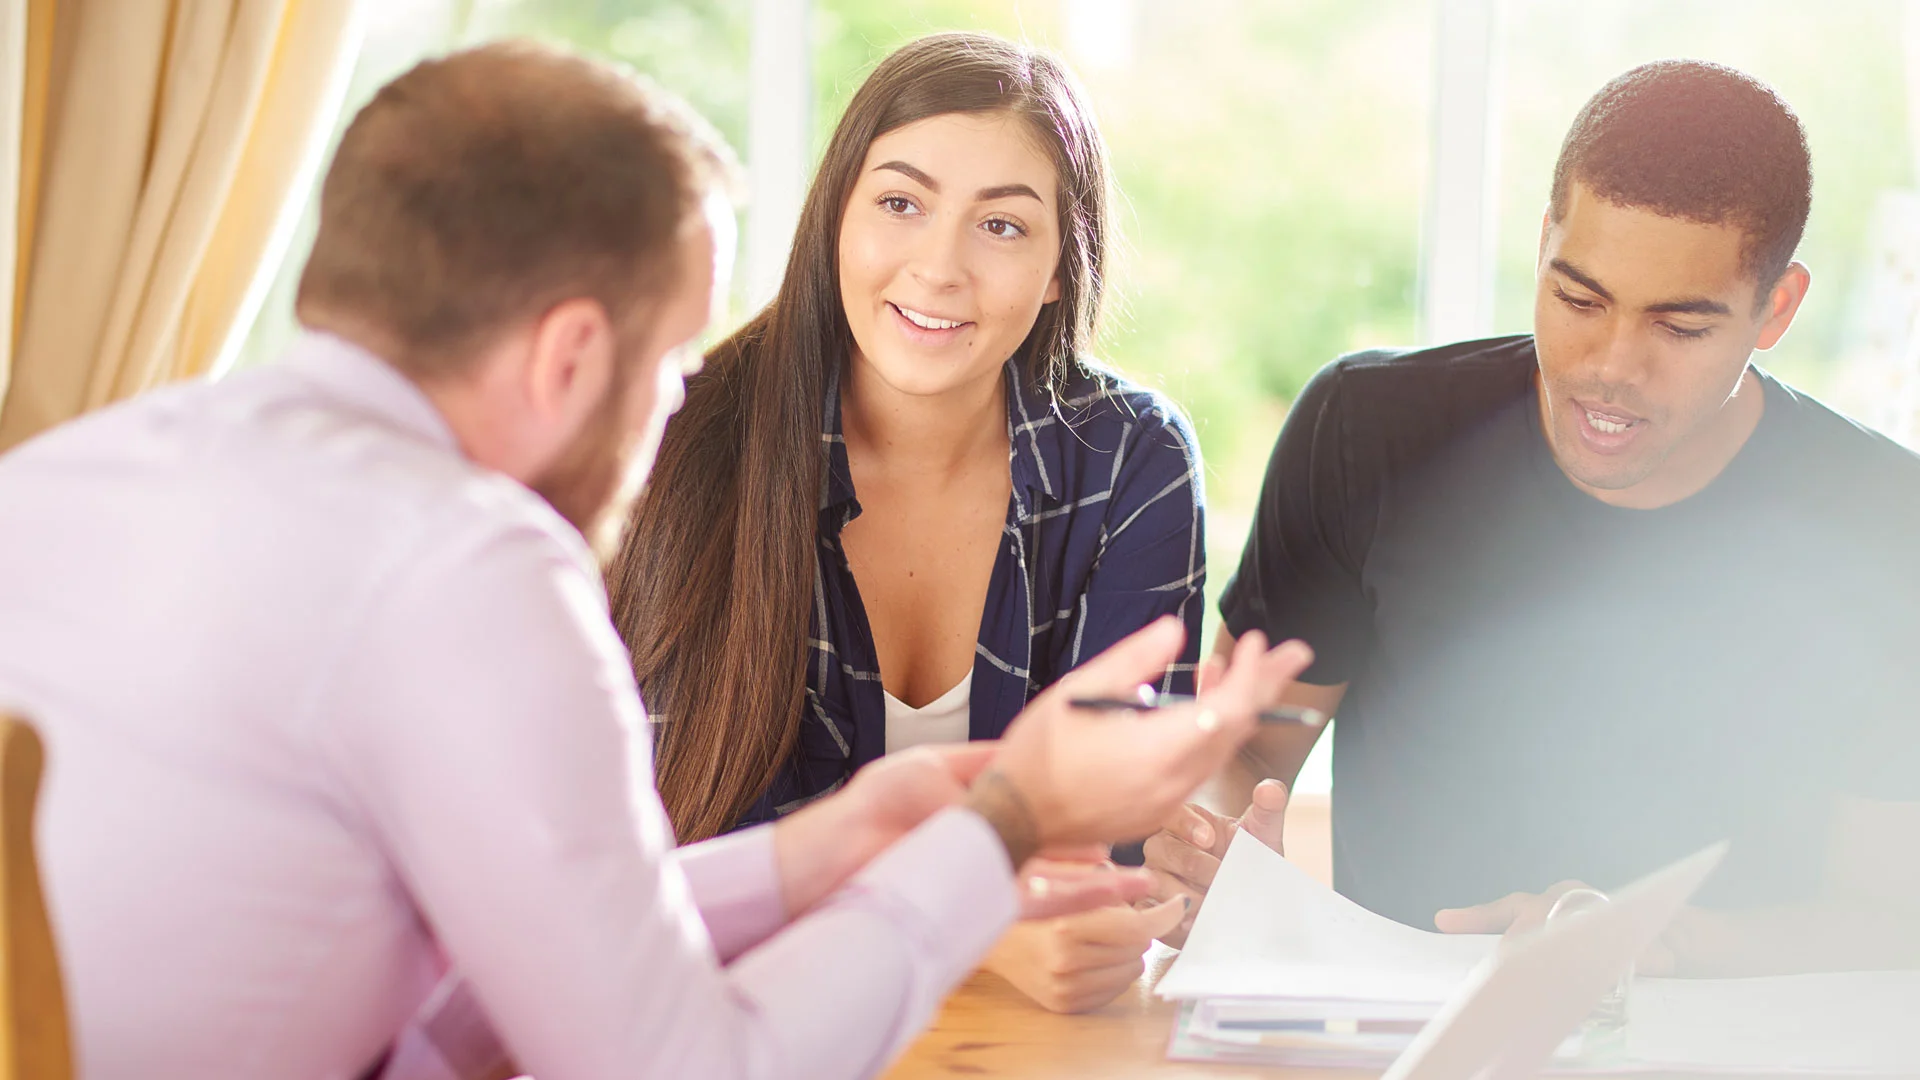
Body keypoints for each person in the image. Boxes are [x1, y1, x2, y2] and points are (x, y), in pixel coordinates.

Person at [0, 43, 1314, 1079]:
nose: (680, 408)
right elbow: (681, 1061)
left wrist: (830, 852)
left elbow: (512, 952)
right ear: (575, 356)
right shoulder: (474, 569)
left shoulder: (67, 472)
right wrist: (1002, 824)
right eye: (675, 361)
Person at [1145, 59, 1920, 976]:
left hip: (1721, 1041)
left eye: (1678, 327)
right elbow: (1245, 752)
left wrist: (1648, 948)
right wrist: (1211, 850)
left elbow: (1890, 918)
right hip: (1391, 1036)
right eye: (1578, 298)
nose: (1609, 367)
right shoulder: (1367, 431)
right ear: (1546, 240)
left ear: (1776, 309)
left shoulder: (1886, 522)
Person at [608, 32, 1205, 1013]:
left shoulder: (1132, 464)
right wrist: (975, 932)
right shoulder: (689, 439)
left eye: (1002, 227)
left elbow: (1111, 832)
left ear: (1062, 265)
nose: (939, 267)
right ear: (836, 217)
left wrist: (1145, 891)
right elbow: (694, 848)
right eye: (900, 203)